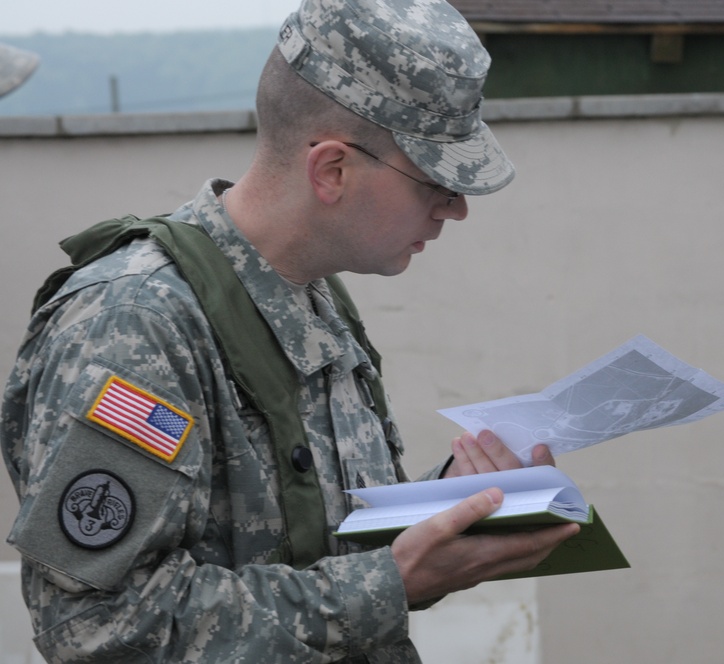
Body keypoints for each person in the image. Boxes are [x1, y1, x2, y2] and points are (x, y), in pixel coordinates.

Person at [0, 0, 578, 661]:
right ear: (332, 170)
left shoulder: (314, 296)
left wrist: (448, 517)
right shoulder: (138, 322)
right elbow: (97, 628)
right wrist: (389, 583)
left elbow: (317, 544)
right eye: (435, 181)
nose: (457, 208)